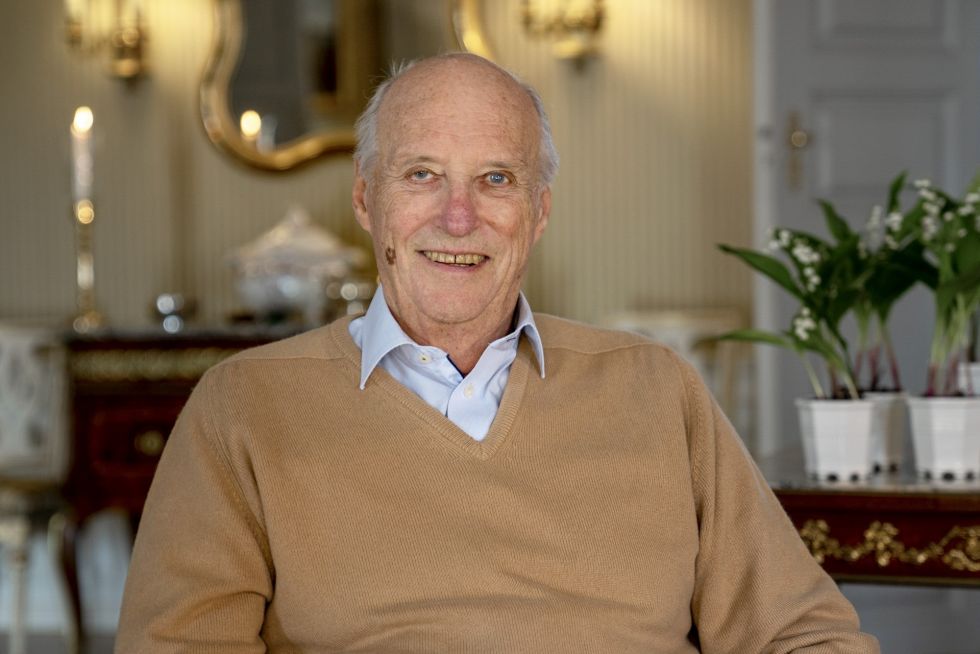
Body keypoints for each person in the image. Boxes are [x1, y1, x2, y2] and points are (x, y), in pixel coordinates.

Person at [116, 52, 878, 653]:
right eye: (422, 175)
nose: (458, 217)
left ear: (538, 211)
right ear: (366, 199)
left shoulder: (655, 387)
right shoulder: (245, 406)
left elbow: (803, 631)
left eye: (495, 179)